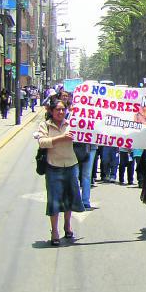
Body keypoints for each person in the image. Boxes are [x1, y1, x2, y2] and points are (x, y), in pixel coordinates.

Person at [36, 98, 84, 245]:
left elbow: (84, 135)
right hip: (53, 167)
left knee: (69, 198)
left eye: (63, 109)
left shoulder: (72, 124)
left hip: (70, 165)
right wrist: (60, 138)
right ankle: (54, 231)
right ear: (51, 111)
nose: (61, 112)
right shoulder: (45, 125)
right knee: (54, 200)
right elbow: (42, 142)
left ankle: (67, 225)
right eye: (58, 109)